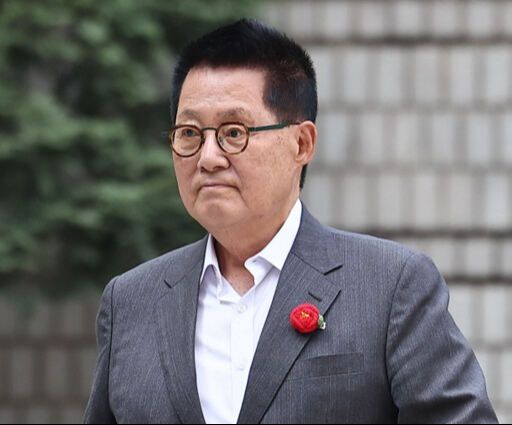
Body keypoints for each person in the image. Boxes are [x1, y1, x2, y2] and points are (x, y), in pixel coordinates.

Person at [84, 18, 497, 424]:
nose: (208, 157)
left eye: (233, 132)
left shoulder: (389, 286)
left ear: (301, 143)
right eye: (190, 133)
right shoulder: (131, 301)